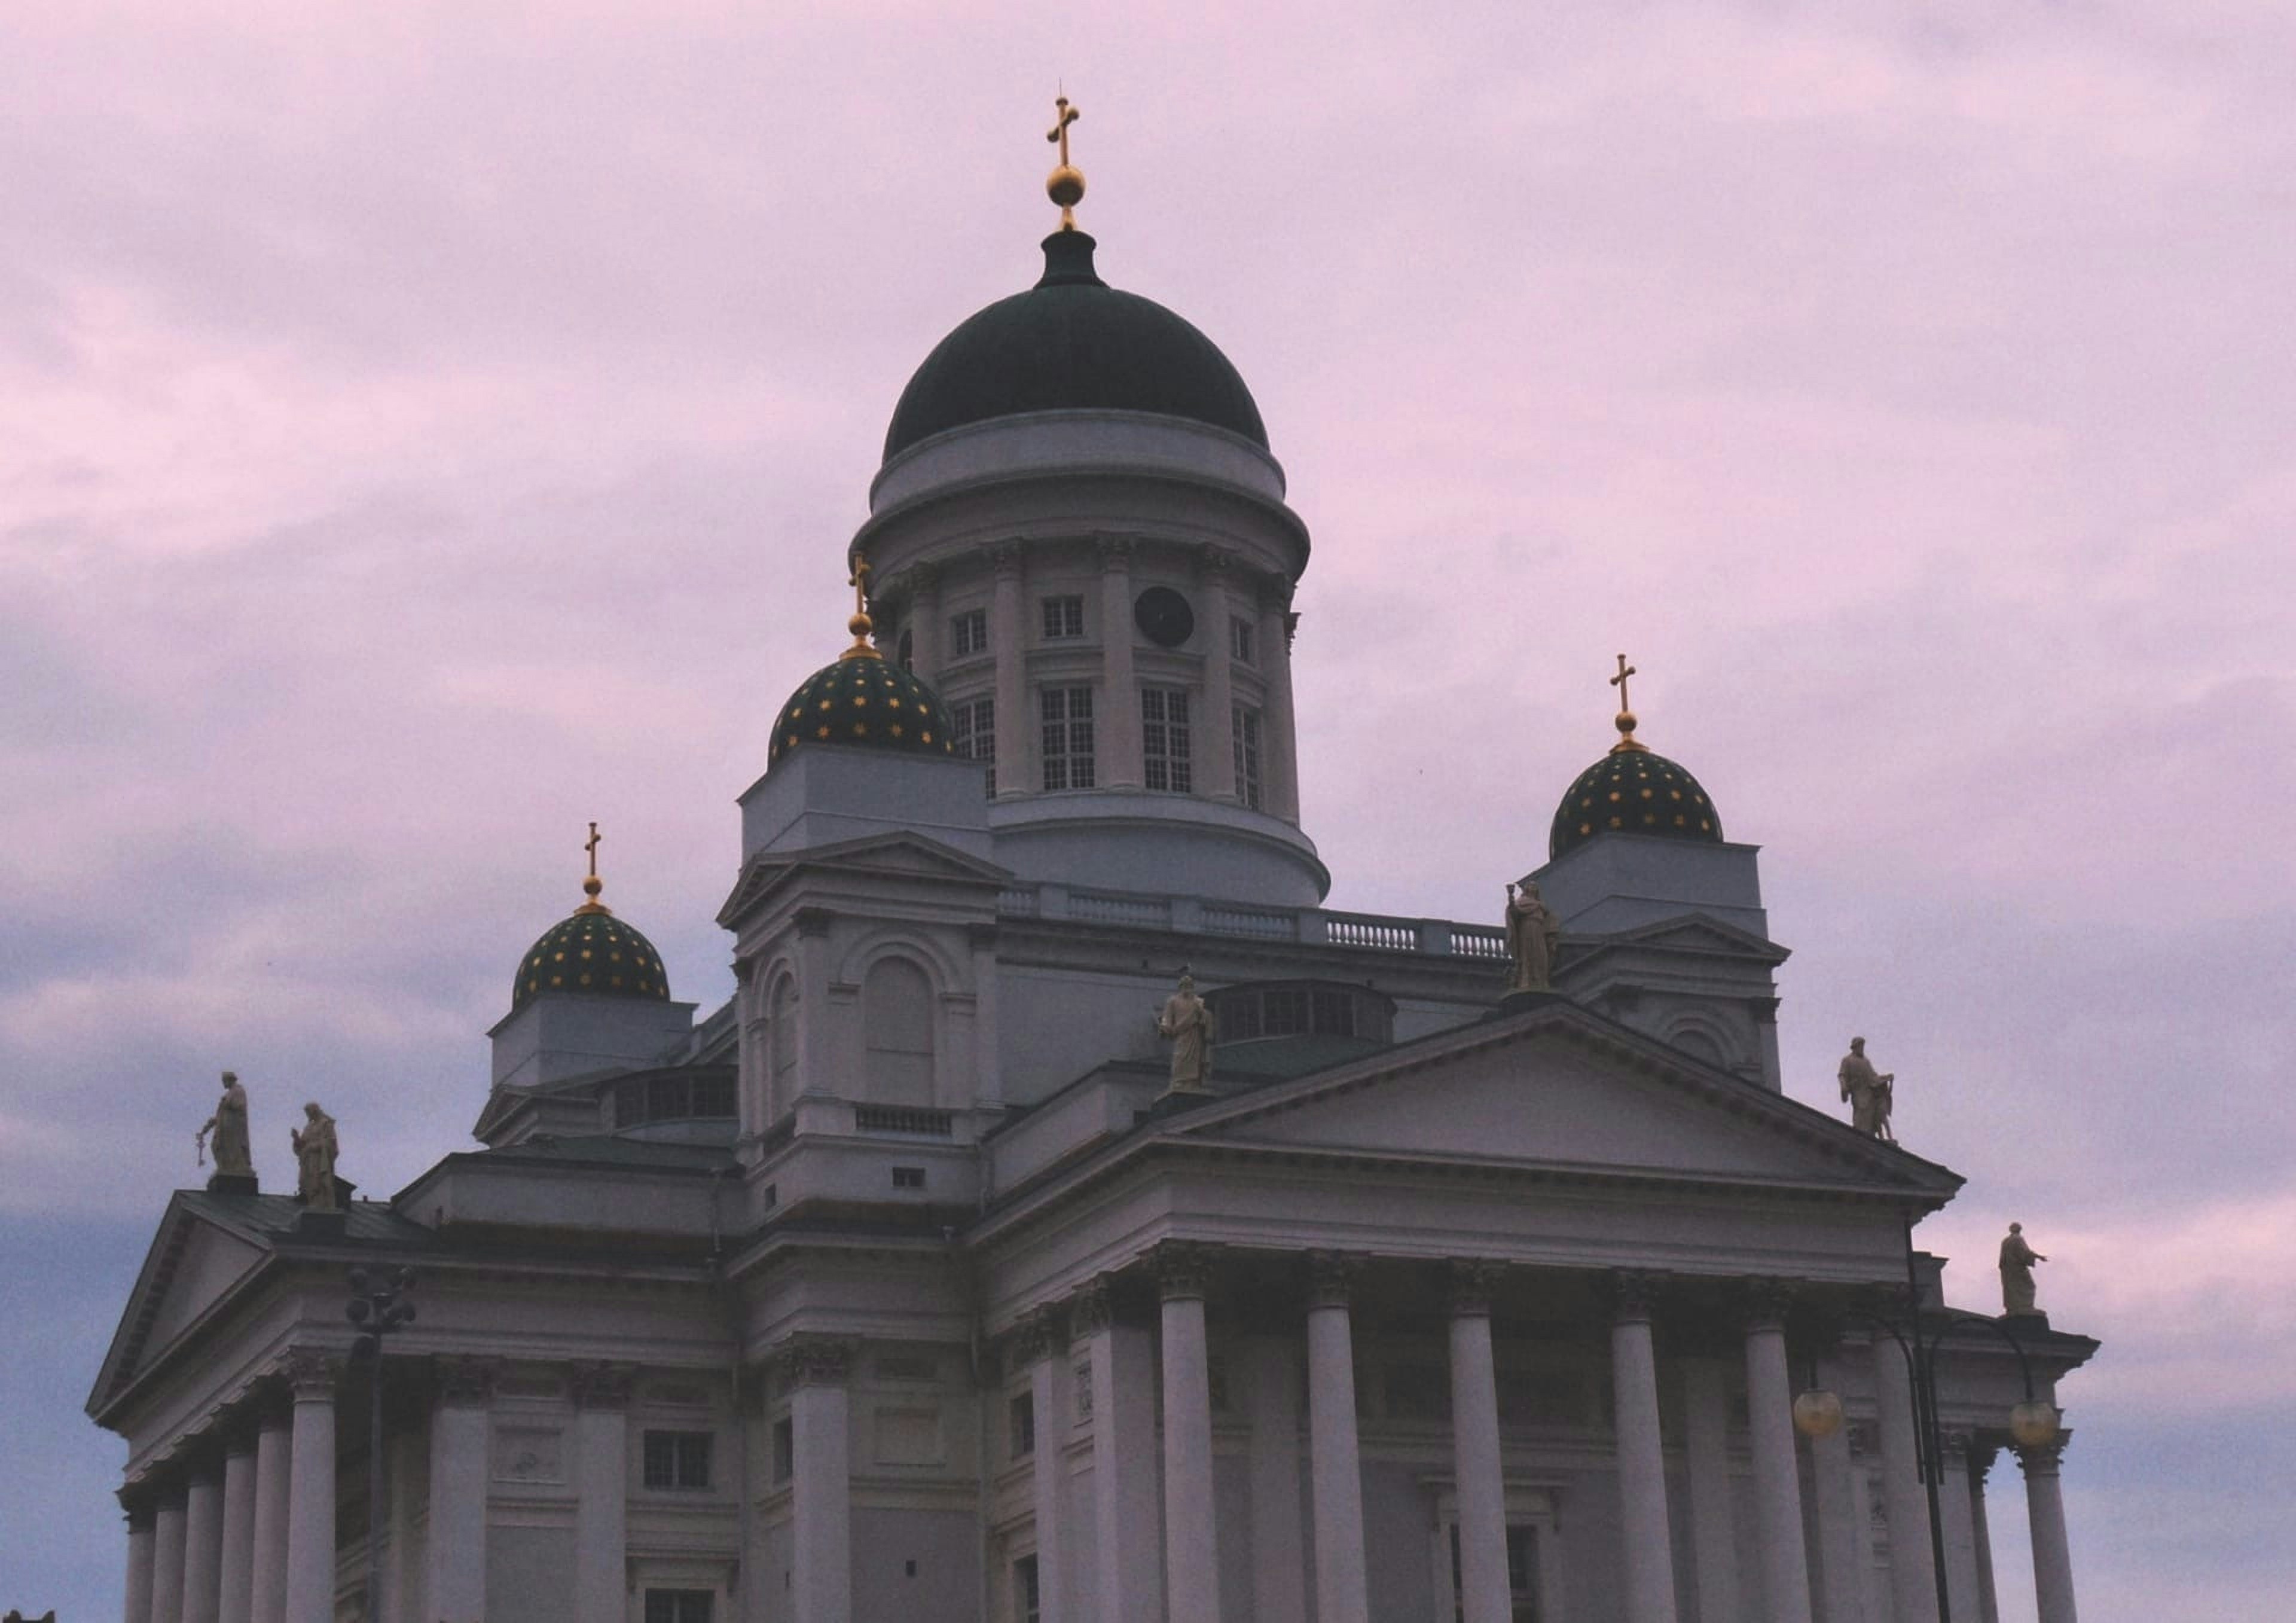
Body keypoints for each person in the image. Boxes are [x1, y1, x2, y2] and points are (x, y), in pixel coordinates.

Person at [1155, 971, 1216, 1094]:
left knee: (1195, 1061)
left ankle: (1193, 1083)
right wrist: (1164, 1028)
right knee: (1180, 1059)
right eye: (1184, 985)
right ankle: (1179, 1082)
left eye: (1189, 986)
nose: (1187, 988)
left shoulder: (1198, 1002)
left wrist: (1202, 1015)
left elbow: (1206, 1016)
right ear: (1180, 987)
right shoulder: (1173, 1001)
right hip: (1182, 1037)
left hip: (1195, 1036)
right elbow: (1167, 1019)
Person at [1505, 879, 1562, 992]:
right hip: (1527, 930)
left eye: (1535, 886)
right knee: (1528, 955)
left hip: (1539, 932)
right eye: (1531, 886)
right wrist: (1511, 898)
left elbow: (1550, 920)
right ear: (1526, 889)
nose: (1533, 888)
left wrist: (1551, 936)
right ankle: (1527, 981)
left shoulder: (1541, 906)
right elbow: (1514, 912)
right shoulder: (1522, 902)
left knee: (1541, 955)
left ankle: (1541, 980)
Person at [196, 1070, 252, 1179]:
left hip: (234, 1127)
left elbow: (238, 1105)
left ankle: (236, 1168)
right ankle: (225, 1167)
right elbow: (221, 1113)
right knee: (216, 1146)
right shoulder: (229, 1093)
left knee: (233, 1148)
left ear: (230, 1080)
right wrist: (209, 1126)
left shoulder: (239, 1090)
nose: (223, 1083)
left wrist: (227, 1103)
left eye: (224, 1081)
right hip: (223, 1127)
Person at [1837, 1037, 1895, 1140]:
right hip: (1858, 1091)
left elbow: (1873, 1077)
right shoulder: (1847, 1060)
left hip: (1869, 1093)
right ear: (1855, 1047)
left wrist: (1885, 1078)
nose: (1862, 1048)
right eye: (1860, 1046)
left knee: (1872, 1115)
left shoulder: (1866, 1062)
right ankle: (1860, 1137)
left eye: (1863, 1046)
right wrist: (1844, 1087)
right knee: (1861, 1111)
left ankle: (1870, 1138)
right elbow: (1842, 1075)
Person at [292, 1102, 340, 1211]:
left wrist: (314, 1146)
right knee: (309, 1183)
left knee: (319, 1181)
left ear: (314, 1111)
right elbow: (302, 1145)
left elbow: (331, 1143)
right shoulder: (309, 1127)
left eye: (308, 1112)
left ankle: (323, 1203)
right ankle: (314, 1202)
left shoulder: (326, 1124)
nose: (308, 1115)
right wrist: (296, 1139)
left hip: (319, 1159)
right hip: (308, 1159)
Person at [2000, 1222, 2048, 1316]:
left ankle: (2013, 1307)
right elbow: (2026, 1253)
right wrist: (2039, 1257)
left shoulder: (2005, 1241)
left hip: (2008, 1271)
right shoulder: (2018, 1239)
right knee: (2030, 1286)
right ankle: (2025, 1307)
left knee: (2012, 1288)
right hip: (2018, 1269)